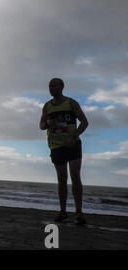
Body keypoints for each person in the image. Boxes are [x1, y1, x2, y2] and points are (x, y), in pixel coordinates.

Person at [40, 78, 89, 226]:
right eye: (49, 86)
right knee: (62, 178)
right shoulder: (47, 106)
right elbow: (41, 125)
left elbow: (85, 122)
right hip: (56, 146)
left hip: (72, 144)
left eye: (54, 85)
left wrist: (74, 136)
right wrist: (48, 123)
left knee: (75, 175)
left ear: (62, 87)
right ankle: (62, 211)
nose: (51, 88)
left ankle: (79, 212)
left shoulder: (71, 103)